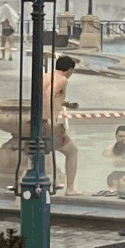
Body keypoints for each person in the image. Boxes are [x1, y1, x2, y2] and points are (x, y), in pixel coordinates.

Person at [43, 56, 80, 194]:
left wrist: (67, 104)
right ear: (70, 70)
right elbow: (49, 95)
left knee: (35, 156)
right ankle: (70, 188)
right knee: (72, 151)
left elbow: (47, 96)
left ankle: (19, 195)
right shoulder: (63, 79)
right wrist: (49, 120)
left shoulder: (46, 76)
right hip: (49, 124)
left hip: (37, 122)